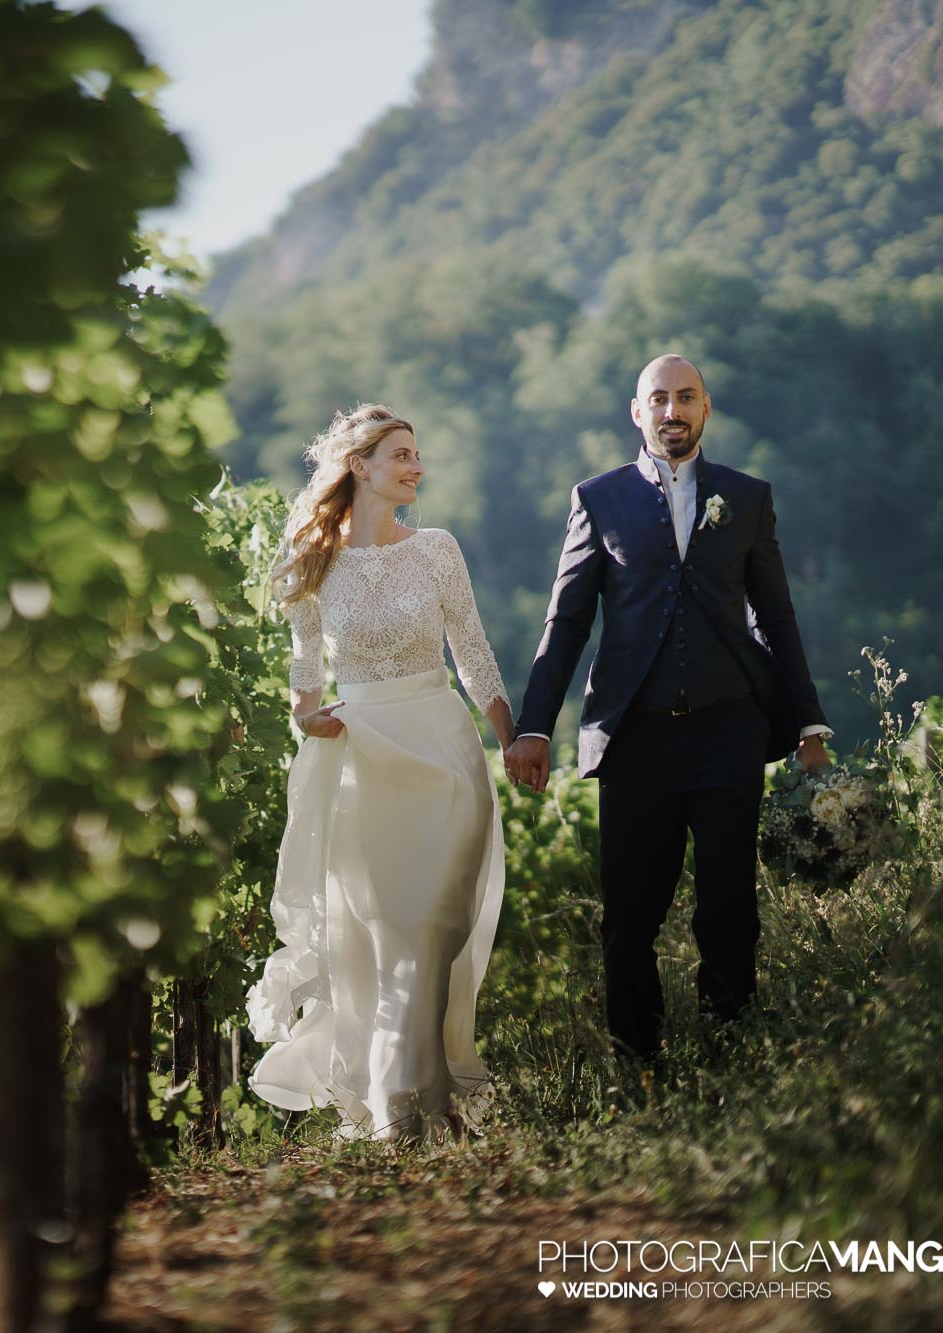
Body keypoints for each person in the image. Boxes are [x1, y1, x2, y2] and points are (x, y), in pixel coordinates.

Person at [503, 354, 830, 1066]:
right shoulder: (599, 498)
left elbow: (776, 615)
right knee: (629, 916)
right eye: (659, 398)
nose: (672, 410)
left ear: (706, 408)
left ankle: (729, 1059)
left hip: (729, 728)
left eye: (685, 397)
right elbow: (567, 622)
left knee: (729, 910)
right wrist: (534, 727)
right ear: (637, 411)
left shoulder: (746, 497)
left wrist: (808, 723)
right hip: (635, 737)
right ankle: (637, 1066)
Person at [245, 404, 514, 1142]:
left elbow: (473, 652)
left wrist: (513, 740)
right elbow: (305, 673)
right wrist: (307, 717)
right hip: (366, 760)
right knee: (388, 935)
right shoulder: (315, 560)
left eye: (417, 454)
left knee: (434, 927)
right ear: (360, 466)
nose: (416, 467)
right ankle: (408, 1109)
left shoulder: (438, 550)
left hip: (445, 753)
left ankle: (415, 1102)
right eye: (401, 454)